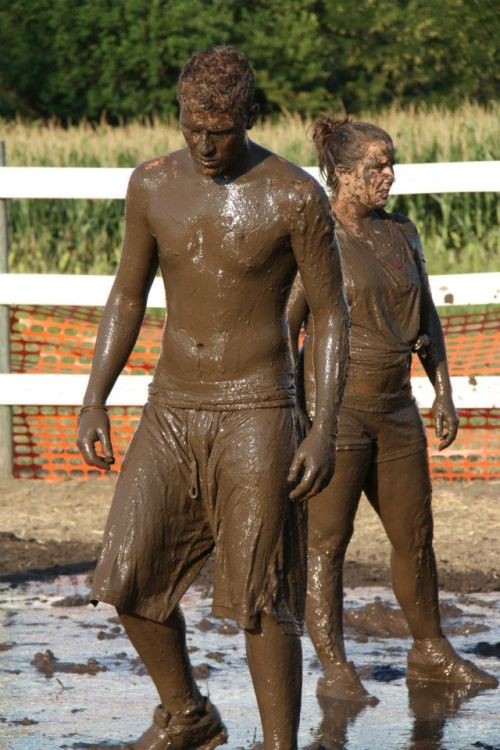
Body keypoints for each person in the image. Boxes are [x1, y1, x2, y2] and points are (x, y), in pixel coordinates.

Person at [77, 48, 349, 750]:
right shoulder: (152, 186)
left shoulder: (292, 195)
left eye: (220, 130)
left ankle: (280, 744)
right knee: (126, 574)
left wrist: (320, 433)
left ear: (248, 117)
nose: (204, 143)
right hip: (170, 407)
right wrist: (93, 398)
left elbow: (331, 315)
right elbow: (127, 294)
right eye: (193, 126)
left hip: (258, 406)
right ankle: (189, 712)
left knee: (260, 597)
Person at [288, 117, 498, 704]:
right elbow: (288, 329)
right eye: (376, 167)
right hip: (336, 415)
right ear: (343, 175)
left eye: (390, 163)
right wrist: (298, 420)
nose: (389, 175)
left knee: (415, 537)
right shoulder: (317, 237)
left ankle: (430, 651)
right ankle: (333, 664)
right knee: (327, 542)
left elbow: (426, 315)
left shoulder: (403, 232)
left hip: (398, 410)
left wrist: (444, 389)